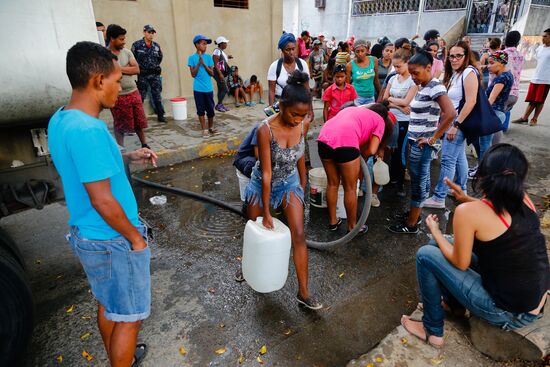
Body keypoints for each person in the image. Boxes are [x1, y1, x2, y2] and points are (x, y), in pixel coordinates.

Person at [48, 41, 158, 367]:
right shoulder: (88, 129)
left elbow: (88, 167)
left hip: (90, 235)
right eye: (115, 81)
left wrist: (127, 155)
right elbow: (102, 199)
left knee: (108, 303)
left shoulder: (62, 119)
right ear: (98, 81)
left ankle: (117, 356)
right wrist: (136, 238)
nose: (119, 89)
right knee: (128, 316)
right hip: (110, 239)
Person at [403, 144, 549, 348]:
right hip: (531, 302)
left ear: (484, 175)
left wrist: (435, 230)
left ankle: (432, 330)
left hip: (508, 312)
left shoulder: (468, 212)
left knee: (426, 254)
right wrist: (466, 199)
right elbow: (494, 216)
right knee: (440, 244)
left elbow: (460, 263)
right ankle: (455, 307)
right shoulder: (523, 199)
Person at [243, 70, 322, 310]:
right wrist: (267, 212)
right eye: (294, 114)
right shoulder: (264, 129)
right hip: (262, 183)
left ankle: (304, 293)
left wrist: (302, 182)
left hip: (288, 182)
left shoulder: (302, 124)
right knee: (256, 228)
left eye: (303, 115)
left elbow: (299, 155)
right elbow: (266, 173)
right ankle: (248, 267)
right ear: (280, 105)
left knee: (298, 234)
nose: (298, 119)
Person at [388, 50, 456, 233]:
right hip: (415, 141)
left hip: (422, 145)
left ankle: (411, 224)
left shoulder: (435, 86)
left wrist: (433, 138)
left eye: (416, 73)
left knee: (418, 182)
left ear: (429, 68)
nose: (413, 77)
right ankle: (414, 215)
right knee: (421, 180)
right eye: (411, 74)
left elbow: (450, 113)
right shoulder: (424, 86)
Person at [317, 103, 393, 233]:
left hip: (324, 138)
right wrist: (360, 158)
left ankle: (333, 222)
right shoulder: (380, 120)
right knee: (350, 188)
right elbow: (372, 149)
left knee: (332, 183)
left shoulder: (354, 110)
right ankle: (352, 227)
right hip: (346, 142)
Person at [424, 40, 477, 209]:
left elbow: (471, 102)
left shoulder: (469, 72)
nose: (454, 59)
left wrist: (456, 125)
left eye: (458, 56)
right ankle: (460, 189)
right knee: (459, 157)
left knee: (447, 161)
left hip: (457, 123)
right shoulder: (457, 73)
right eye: (451, 56)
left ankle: (439, 197)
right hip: (453, 122)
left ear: (466, 56)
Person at [107, 24, 149, 148]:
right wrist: (126, 68)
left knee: (139, 122)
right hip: (117, 96)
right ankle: (121, 148)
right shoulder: (105, 55)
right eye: (121, 39)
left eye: (124, 38)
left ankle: (144, 144)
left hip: (133, 92)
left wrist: (118, 68)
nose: (124, 42)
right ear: (112, 38)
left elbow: (136, 69)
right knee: (120, 124)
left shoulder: (127, 52)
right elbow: (108, 73)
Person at [383, 49, 417, 197]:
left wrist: (392, 100)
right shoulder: (392, 78)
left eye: (399, 66)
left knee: (401, 153)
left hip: (404, 121)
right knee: (388, 150)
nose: (396, 70)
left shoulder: (413, 81)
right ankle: (388, 178)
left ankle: (400, 182)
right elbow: (385, 100)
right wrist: (398, 106)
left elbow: (407, 101)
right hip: (391, 117)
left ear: (407, 63)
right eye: (394, 66)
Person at [512, 28, 550, 126]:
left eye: (545, 36)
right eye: (542, 36)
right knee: (531, 99)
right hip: (535, 78)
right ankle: (524, 118)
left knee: (540, 101)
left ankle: (534, 119)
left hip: (546, 80)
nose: (543, 38)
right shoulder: (540, 48)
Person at [131, 24, 166, 122]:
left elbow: (159, 58)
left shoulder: (156, 46)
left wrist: (153, 67)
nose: (151, 35)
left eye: (152, 33)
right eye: (149, 32)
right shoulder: (136, 45)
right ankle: (138, 118)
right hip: (143, 75)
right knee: (140, 97)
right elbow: (132, 59)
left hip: (154, 75)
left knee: (157, 95)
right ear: (144, 32)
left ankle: (160, 115)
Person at [267, 33, 310, 105]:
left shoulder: (302, 64)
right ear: (282, 50)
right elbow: (271, 91)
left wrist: (309, 108)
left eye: (293, 49)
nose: (291, 52)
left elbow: (307, 88)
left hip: (299, 103)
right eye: (288, 50)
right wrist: (271, 109)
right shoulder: (274, 66)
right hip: (281, 103)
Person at [188, 34, 217, 139]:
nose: (205, 46)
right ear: (196, 45)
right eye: (203, 44)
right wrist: (198, 63)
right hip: (198, 89)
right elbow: (193, 74)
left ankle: (210, 127)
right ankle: (204, 129)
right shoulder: (191, 58)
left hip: (208, 89)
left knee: (210, 110)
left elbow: (212, 73)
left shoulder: (209, 57)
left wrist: (203, 64)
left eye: (206, 44)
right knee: (200, 110)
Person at [486, 50, 513, 145]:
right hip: (498, 112)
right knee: (492, 145)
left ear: (502, 63)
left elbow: (491, 99)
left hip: (494, 113)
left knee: (488, 145)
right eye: (488, 63)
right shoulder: (507, 74)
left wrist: (482, 113)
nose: (488, 66)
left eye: (491, 63)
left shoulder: (501, 78)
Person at [502, 30, 524, 131]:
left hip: (502, 91)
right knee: (506, 111)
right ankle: (504, 128)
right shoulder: (520, 55)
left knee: (497, 116)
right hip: (515, 92)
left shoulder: (502, 54)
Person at [212, 36, 233, 112]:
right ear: (221, 44)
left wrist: (227, 57)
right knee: (225, 89)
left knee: (220, 89)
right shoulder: (217, 51)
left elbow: (221, 59)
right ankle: (219, 105)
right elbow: (215, 63)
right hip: (218, 73)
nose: (226, 44)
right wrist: (220, 74)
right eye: (225, 43)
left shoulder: (220, 51)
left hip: (220, 73)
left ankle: (220, 105)